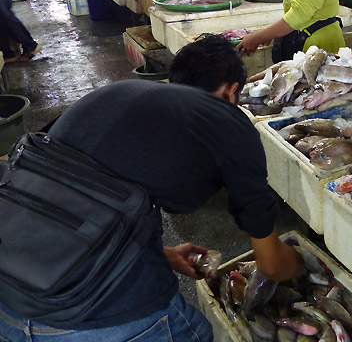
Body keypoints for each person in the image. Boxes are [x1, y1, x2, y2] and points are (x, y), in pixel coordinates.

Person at [0, 35, 303, 341]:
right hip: (91, 314)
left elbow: (67, 197)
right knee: (195, 332)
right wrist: (299, 264)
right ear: (231, 91)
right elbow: (271, 264)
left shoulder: (114, 94)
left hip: (7, 296)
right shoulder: (228, 121)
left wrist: (161, 252)